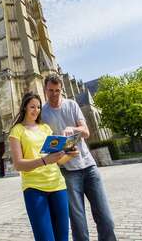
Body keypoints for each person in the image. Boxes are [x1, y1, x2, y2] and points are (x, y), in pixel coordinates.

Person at [42, 74, 117, 241]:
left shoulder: (72, 104)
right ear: (45, 89)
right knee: (78, 222)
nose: (54, 94)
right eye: (50, 91)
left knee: (106, 218)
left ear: (62, 89)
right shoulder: (43, 114)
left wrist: (73, 129)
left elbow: (87, 131)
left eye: (57, 90)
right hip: (67, 171)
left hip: (89, 167)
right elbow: (46, 145)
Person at [9, 92, 77, 241]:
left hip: (58, 185)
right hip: (34, 188)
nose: (36, 110)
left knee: (63, 238)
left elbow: (57, 161)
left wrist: (69, 155)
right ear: (25, 108)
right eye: (32, 106)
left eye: (39, 107)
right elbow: (18, 164)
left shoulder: (46, 128)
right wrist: (45, 160)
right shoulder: (17, 130)